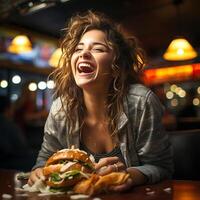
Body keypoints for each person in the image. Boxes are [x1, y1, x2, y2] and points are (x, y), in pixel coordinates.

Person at [28, 10, 173, 191]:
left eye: (98, 48)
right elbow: (44, 161)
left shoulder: (141, 102)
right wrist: (39, 171)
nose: (84, 54)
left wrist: (129, 175)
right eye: (78, 49)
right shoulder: (60, 109)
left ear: (116, 66)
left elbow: (161, 167)